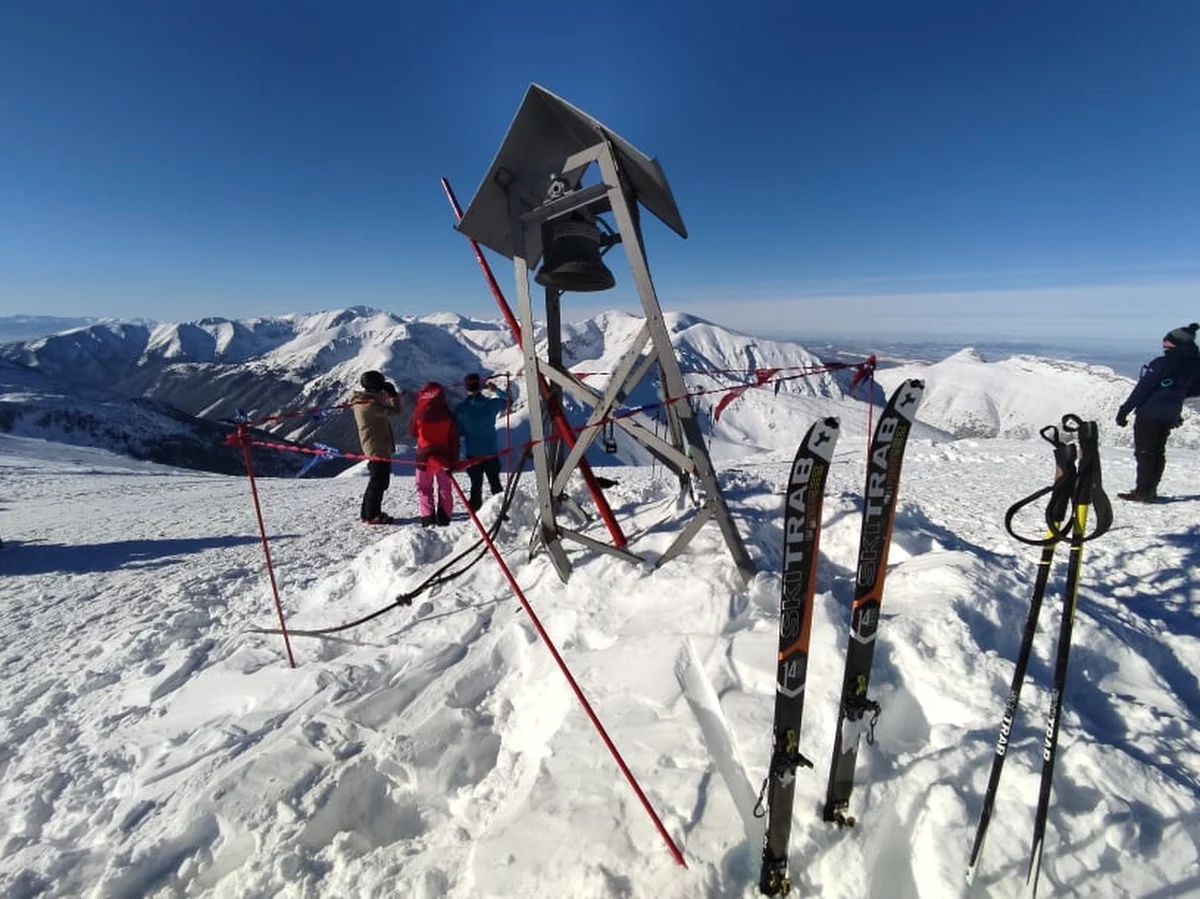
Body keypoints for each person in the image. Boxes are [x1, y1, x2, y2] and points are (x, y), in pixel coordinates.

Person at [1115, 322, 1200, 502]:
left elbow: (1143, 388)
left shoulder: (1163, 363)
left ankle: (1143, 491)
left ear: (1174, 343)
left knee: (1145, 452)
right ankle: (1150, 489)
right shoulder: (1193, 365)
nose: (1163, 344)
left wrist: (1124, 410)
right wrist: (1173, 398)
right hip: (1170, 414)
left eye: (1167, 341)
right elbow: (1193, 389)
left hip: (1150, 413)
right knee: (1157, 452)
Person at [352, 370, 403, 524]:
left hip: (377, 445)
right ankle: (372, 515)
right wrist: (393, 395)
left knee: (378, 481)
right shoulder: (370, 405)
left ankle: (368, 513)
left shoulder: (366, 401)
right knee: (378, 481)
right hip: (377, 447)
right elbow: (395, 411)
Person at [454, 372, 510, 511]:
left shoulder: (461, 409)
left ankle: (475, 512)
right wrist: (495, 390)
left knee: (476, 484)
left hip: (473, 453)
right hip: (491, 452)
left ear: (466, 388)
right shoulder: (491, 404)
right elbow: (508, 401)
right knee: (495, 483)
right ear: (480, 386)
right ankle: (502, 509)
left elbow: (459, 431)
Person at [409, 382, 460, 526]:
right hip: (444, 455)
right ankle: (444, 517)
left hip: (423, 456)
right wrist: (454, 459)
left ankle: (428, 518)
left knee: (424, 488)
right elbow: (453, 438)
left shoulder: (419, 413)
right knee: (445, 486)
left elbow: (412, 432)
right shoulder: (447, 414)